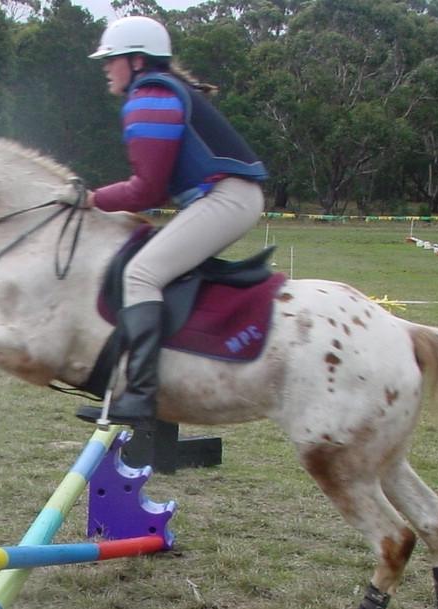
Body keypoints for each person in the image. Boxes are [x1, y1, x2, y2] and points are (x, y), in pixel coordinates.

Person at [71, 15, 268, 430]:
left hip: (225, 199)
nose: (106, 67)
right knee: (142, 263)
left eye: (112, 59)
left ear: (137, 61)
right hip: (223, 198)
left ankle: (141, 396)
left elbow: (146, 190)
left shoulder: (151, 93)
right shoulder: (159, 88)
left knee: (141, 275)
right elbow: (156, 189)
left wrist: (93, 199)